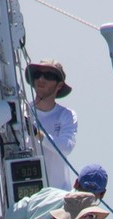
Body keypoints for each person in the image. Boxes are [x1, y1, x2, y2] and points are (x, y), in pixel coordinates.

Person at [26, 60, 77, 191]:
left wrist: (37, 133)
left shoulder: (67, 115)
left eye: (48, 76)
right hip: (26, 194)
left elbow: (65, 147)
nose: (41, 79)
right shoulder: (21, 112)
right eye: (38, 75)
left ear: (59, 85)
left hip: (58, 196)